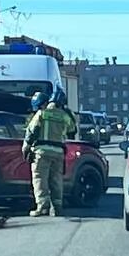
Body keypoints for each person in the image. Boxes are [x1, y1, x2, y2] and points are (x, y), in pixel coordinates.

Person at [23, 89, 77, 217]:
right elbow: (72, 131)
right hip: (58, 153)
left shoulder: (42, 113)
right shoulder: (64, 116)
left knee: (40, 179)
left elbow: (31, 131)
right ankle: (57, 207)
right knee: (56, 180)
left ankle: (42, 207)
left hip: (42, 151)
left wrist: (26, 147)